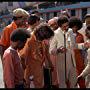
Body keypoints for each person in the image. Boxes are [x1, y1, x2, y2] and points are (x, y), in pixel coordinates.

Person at [19, 23, 54, 88]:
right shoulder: (29, 41)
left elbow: (45, 54)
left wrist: (50, 64)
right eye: (45, 38)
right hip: (30, 75)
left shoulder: (41, 40)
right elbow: (22, 58)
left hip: (39, 73)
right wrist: (23, 77)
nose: (46, 40)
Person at [49, 16, 77, 88]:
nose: (66, 27)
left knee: (74, 83)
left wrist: (83, 45)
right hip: (62, 63)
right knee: (62, 84)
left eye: (67, 25)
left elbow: (74, 46)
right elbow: (51, 50)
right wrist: (58, 50)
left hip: (72, 62)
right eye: (64, 26)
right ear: (59, 26)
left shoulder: (70, 31)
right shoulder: (55, 34)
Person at [69, 17, 86, 88]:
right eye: (73, 26)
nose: (74, 28)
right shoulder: (67, 35)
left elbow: (83, 49)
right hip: (69, 58)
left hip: (78, 58)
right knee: (70, 77)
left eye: (76, 27)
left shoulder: (80, 36)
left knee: (80, 76)